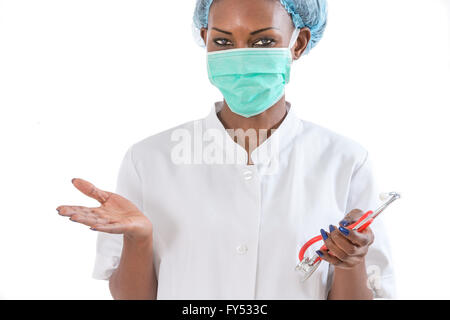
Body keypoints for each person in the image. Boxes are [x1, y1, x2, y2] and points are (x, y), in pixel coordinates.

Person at [57, 0, 395, 299]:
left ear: (298, 43)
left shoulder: (345, 161)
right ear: (204, 39)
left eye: (263, 40)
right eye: (222, 40)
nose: (240, 55)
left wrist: (353, 261)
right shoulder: (148, 160)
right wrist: (139, 239)